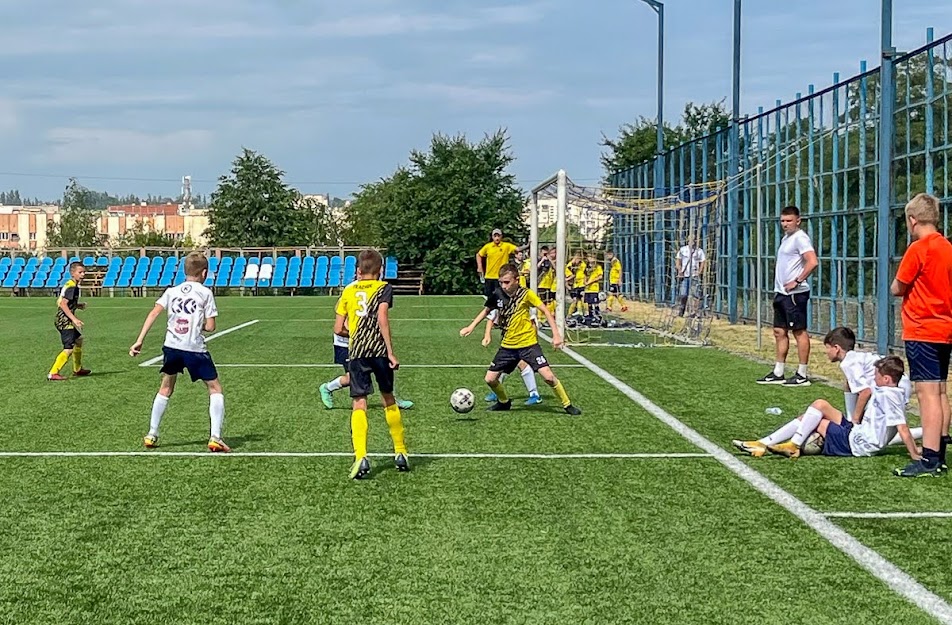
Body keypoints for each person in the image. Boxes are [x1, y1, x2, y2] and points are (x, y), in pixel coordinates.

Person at [735, 327, 917, 457]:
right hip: (898, 384)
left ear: (836, 348)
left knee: (821, 419)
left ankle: (791, 444)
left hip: (893, 387)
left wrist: (854, 419)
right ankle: (765, 442)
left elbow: (866, 391)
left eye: (827, 349)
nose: (826, 353)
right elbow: (851, 387)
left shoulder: (849, 362)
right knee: (818, 407)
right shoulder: (857, 360)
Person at [129, 252, 230, 453]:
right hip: (193, 347)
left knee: (166, 388)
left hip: (171, 346)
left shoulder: (171, 291)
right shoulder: (205, 293)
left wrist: (139, 340)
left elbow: (153, 313)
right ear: (204, 273)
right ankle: (215, 437)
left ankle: (152, 434)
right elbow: (210, 327)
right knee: (215, 388)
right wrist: (196, 323)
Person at [460, 263, 582, 416]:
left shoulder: (526, 294)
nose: (503, 286)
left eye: (507, 282)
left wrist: (556, 334)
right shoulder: (498, 294)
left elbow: (545, 310)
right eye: (501, 282)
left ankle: (567, 404)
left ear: (516, 280)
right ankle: (504, 402)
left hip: (528, 345)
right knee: (490, 379)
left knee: (548, 377)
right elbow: (486, 311)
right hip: (507, 347)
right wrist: (471, 327)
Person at [891, 193, 952, 478]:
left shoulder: (919, 249)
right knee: (940, 391)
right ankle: (939, 449)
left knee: (926, 394)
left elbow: (898, 287)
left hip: (922, 328)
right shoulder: (947, 247)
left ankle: (929, 458)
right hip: (944, 328)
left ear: (912, 220)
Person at [334, 249, 408, 480]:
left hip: (356, 352)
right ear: (380, 270)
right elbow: (382, 318)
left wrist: (355, 333)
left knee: (359, 403)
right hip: (378, 351)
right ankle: (400, 452)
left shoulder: (348, 290)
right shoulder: (383, 288)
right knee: (388, 398)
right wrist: (390, 351)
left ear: (359, 269)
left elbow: (338, 328)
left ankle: (361, 456)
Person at [756, 206, 818, 387]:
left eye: (789, 220)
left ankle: (802, 373)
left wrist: (797, 281)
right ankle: (778, 371)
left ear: (798, 221)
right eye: (782, 220)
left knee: (799, 331)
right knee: (779, 331)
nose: (785, 224)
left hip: (795, 295)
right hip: (782, 293)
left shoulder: (801, 238)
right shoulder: (786, 238)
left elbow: (813, 261)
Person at [318, 330, 415, 410]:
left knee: (381, 368)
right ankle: (327, 388)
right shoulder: (345, 307)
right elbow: (339, 328)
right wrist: (362, 333)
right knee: (352, 377)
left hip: (362, 342)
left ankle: (391, 399)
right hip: (346, 345)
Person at [48, 261, 91, 381]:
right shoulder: (72, 287)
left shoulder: (71, 284)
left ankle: (77, 369)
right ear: (73, 273)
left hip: (63, 319)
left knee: (79, 340)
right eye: (80, 272)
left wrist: (78, 305)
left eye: (83, 272)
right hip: (64, 320)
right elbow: (63, 304)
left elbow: (65, 301)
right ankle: (53, 372)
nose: (82, 274)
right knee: (68, 348)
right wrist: (74, 319)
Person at [476, 228, 526, 299]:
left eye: (498, 236)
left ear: (501, 236)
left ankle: (501, 310)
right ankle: (492, 310)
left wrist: (528, 245)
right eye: (495, 236)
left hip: (501, 276)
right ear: (492, 237)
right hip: (489, 276)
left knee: (501, 296)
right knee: (489, 297)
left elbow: (517, 249)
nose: (497, 238)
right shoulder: (488, 246)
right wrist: (480, 267)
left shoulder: (506, 246)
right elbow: (479, 255)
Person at [674, 238, 706, 317]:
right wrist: (680, 269)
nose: (692, 242)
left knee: (696, 295)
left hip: (694, 275)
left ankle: (695, 312)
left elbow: (703, 261)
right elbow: (678, 260)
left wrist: (700, 271)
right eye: (691, 240)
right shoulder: (683, 250)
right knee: (684, 294)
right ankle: (682, 310)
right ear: (688, 241)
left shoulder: (699, 251)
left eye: (694, 240)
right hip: (685, 275)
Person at [583, 252, 604, 320]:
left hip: (594, 288)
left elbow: (600, 276)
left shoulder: (598, 267)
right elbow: (585, 275)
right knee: (588, 303)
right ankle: (590, 316)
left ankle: (598, 316)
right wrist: (585, 282)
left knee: (595, 303)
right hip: (587, 289)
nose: (590, 259)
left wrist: (591, 281)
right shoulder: (586, 267)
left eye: (592, 257)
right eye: (589, 257)